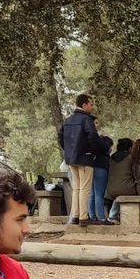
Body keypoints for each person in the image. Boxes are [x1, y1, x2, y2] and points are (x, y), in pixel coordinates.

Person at [57, 93, 99, 226]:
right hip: (85, 158)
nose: (92, 107)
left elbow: (60, 137)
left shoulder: (68, 120)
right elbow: (92, 136)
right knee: (85, 188)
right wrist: (92, 152)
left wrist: (69, 151)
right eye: (91, 104)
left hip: (71, 159)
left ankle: (75, 216)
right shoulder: (87, 120)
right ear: (84, 104)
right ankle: (83, 217)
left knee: (76, 188)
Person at [104, 137, 137, 224]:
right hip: (127, 189)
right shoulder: (131, 158)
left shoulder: (111, 158)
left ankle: (113, 215)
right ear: (130, 148)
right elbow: (136, 174)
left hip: (110, 190)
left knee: (118, 194)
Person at [87, 133, 112, 224]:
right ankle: (101, 217)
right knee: (99, 194)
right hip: (101, 169)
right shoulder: (105, 156)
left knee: (92, 194)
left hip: (91, 169)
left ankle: (92, 216)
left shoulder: (94, 151)